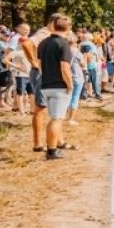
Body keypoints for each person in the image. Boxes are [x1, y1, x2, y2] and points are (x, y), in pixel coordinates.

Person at [35, 14, 74, 159]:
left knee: (53, 117)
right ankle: (51, 150)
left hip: (46, 84)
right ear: (68, 28)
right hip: (59, 86)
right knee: (57, 118)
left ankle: (55, 144)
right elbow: (65, 67)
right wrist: (69, 84)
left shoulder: (43, 43)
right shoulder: (63, 44)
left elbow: (39, 64)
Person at [8, 23, 36, 116]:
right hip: (19, 73)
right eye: (25, 29)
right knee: (19, 91)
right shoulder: (16, 40)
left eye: (28, 29)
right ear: (19, 29)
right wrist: (14, 65)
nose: (27, 31)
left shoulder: (29, 45)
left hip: (28, 73)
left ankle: (28, 108)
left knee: (30, 92)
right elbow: (9, 53)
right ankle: (20, 109)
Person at [66, 31, 86, 122]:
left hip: (67, 76)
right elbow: (83, 64)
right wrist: (85, 57)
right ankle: (71, 118)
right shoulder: (76, 51)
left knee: (68, 97)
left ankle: (65, 116)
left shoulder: (64, 50)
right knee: (75, 97)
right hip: (77, 75)